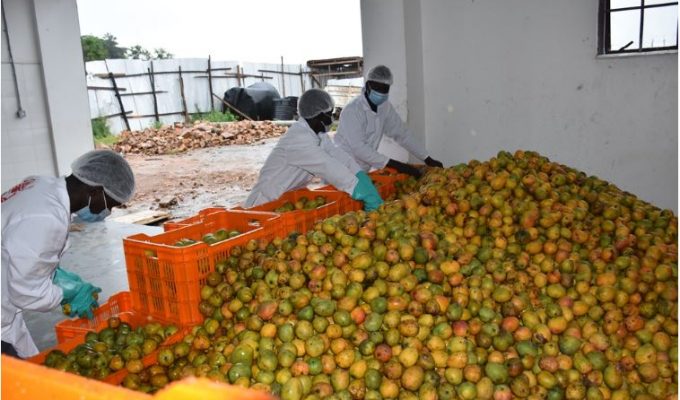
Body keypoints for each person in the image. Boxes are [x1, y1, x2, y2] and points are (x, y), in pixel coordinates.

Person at [1, 149, 135, 358]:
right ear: (95, 192)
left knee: (30, 366)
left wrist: (54, 275)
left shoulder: (41, 185)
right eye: (111, 205)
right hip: (6, 301)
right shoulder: (47, 217)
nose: (108, 212)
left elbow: (19, 248)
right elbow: (25, 293)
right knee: (14, 383)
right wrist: (65, 295)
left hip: (6, 302)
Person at [245, 88, 383, 211]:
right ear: (318, 116)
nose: (331, 119)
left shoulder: (318, 135)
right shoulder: (298, 140)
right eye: (329, 115)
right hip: (265, 203)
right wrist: (358, 189)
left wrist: (359, 174)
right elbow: (328, 166)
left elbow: (337, 155)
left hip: (288, 201)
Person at [334, 65, 444, 178]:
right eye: (378, 88)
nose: (381, 93)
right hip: (342, 168)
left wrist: (427, 158)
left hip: (362, 171)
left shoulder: (385, 107)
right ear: (368, 85)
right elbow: (359, 148)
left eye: (385, 89)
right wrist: (394, 164)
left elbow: (402, 134)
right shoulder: (352, 110)